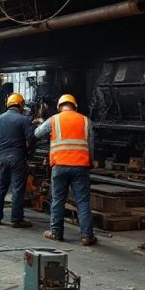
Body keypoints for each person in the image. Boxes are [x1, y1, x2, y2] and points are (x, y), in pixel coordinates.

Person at [34, 94, 96, 246]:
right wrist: (92, 161)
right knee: (82, 201)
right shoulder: (85, 120)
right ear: (75, 106)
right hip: (81, 167)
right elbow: (90, 145)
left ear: (59, 107)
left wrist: (42, 123)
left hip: (60, 166)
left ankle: (56, 232)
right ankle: (87, 236)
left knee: (58, 200)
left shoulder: (54, 120)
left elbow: (36, 134)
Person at [0, 93, 34, 228]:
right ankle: (16, 219)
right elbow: (31, 139)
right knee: (17, 188)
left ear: (8, 104)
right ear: (20, 105)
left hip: (2, 157)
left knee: (0, 187)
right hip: (18, 157)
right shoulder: (24, 120)